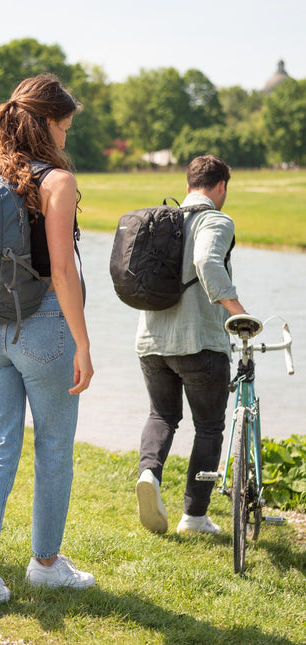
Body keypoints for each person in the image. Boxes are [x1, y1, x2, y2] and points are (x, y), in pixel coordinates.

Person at [0, 74, 96, 605]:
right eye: (65, 126)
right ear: (48, 125)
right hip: (41, 329)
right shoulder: (55, 180)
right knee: (54, 447)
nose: (67, 137)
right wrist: (83, 343)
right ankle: (44, 564)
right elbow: (61, 268)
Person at [135, 154, 248, 536]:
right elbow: (207, 259)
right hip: (199, 343)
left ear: (187, 187)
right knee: (210, 426)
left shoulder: (161, 222)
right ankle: (194, 517)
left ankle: (149, 474)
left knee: (161, 415)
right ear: (220, 187)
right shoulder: (215, 219)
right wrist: (237, 311)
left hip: (151, 342)